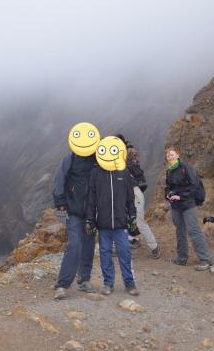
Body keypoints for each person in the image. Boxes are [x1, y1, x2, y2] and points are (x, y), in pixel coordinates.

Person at [52, 122, 101, 300]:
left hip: (92, 213)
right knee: (75, 245)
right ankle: (62, 285)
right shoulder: (70, 159)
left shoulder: (99, 159)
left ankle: (84, 280)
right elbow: (58, 182)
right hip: (73, 211)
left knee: (88, 245)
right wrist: (61, 205)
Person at [87, 136, 139, 296]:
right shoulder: (95, 172)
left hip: (121, 222)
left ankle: (129, 283)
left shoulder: (123, 171)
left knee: (124, 252)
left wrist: (132, 217)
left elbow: (130, 198)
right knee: (105, 253)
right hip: (103, 223)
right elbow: (91, 198)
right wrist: (90, 219)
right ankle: (108, 283)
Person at [164, 146, 214, 271]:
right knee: (179, 230)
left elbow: (195, 185)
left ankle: (206, 260)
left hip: (188, 204)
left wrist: (180, 196)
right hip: (176, 205)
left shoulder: (185, 168)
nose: (170, 157)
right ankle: (181, 258)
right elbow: (168, 186)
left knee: (194, 230)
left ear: (178, 155)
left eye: (172, 154)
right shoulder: (169, 170)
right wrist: (168, 194)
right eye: (168, 156)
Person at [115, 134, 161, 259]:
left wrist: (123, 168)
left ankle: (154, 246)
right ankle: (131, 240)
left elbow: (136, 169)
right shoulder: (116, 154)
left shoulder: (129, 152)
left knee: (139, 220)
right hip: (123, 192)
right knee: (122, 219)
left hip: (134, 191)